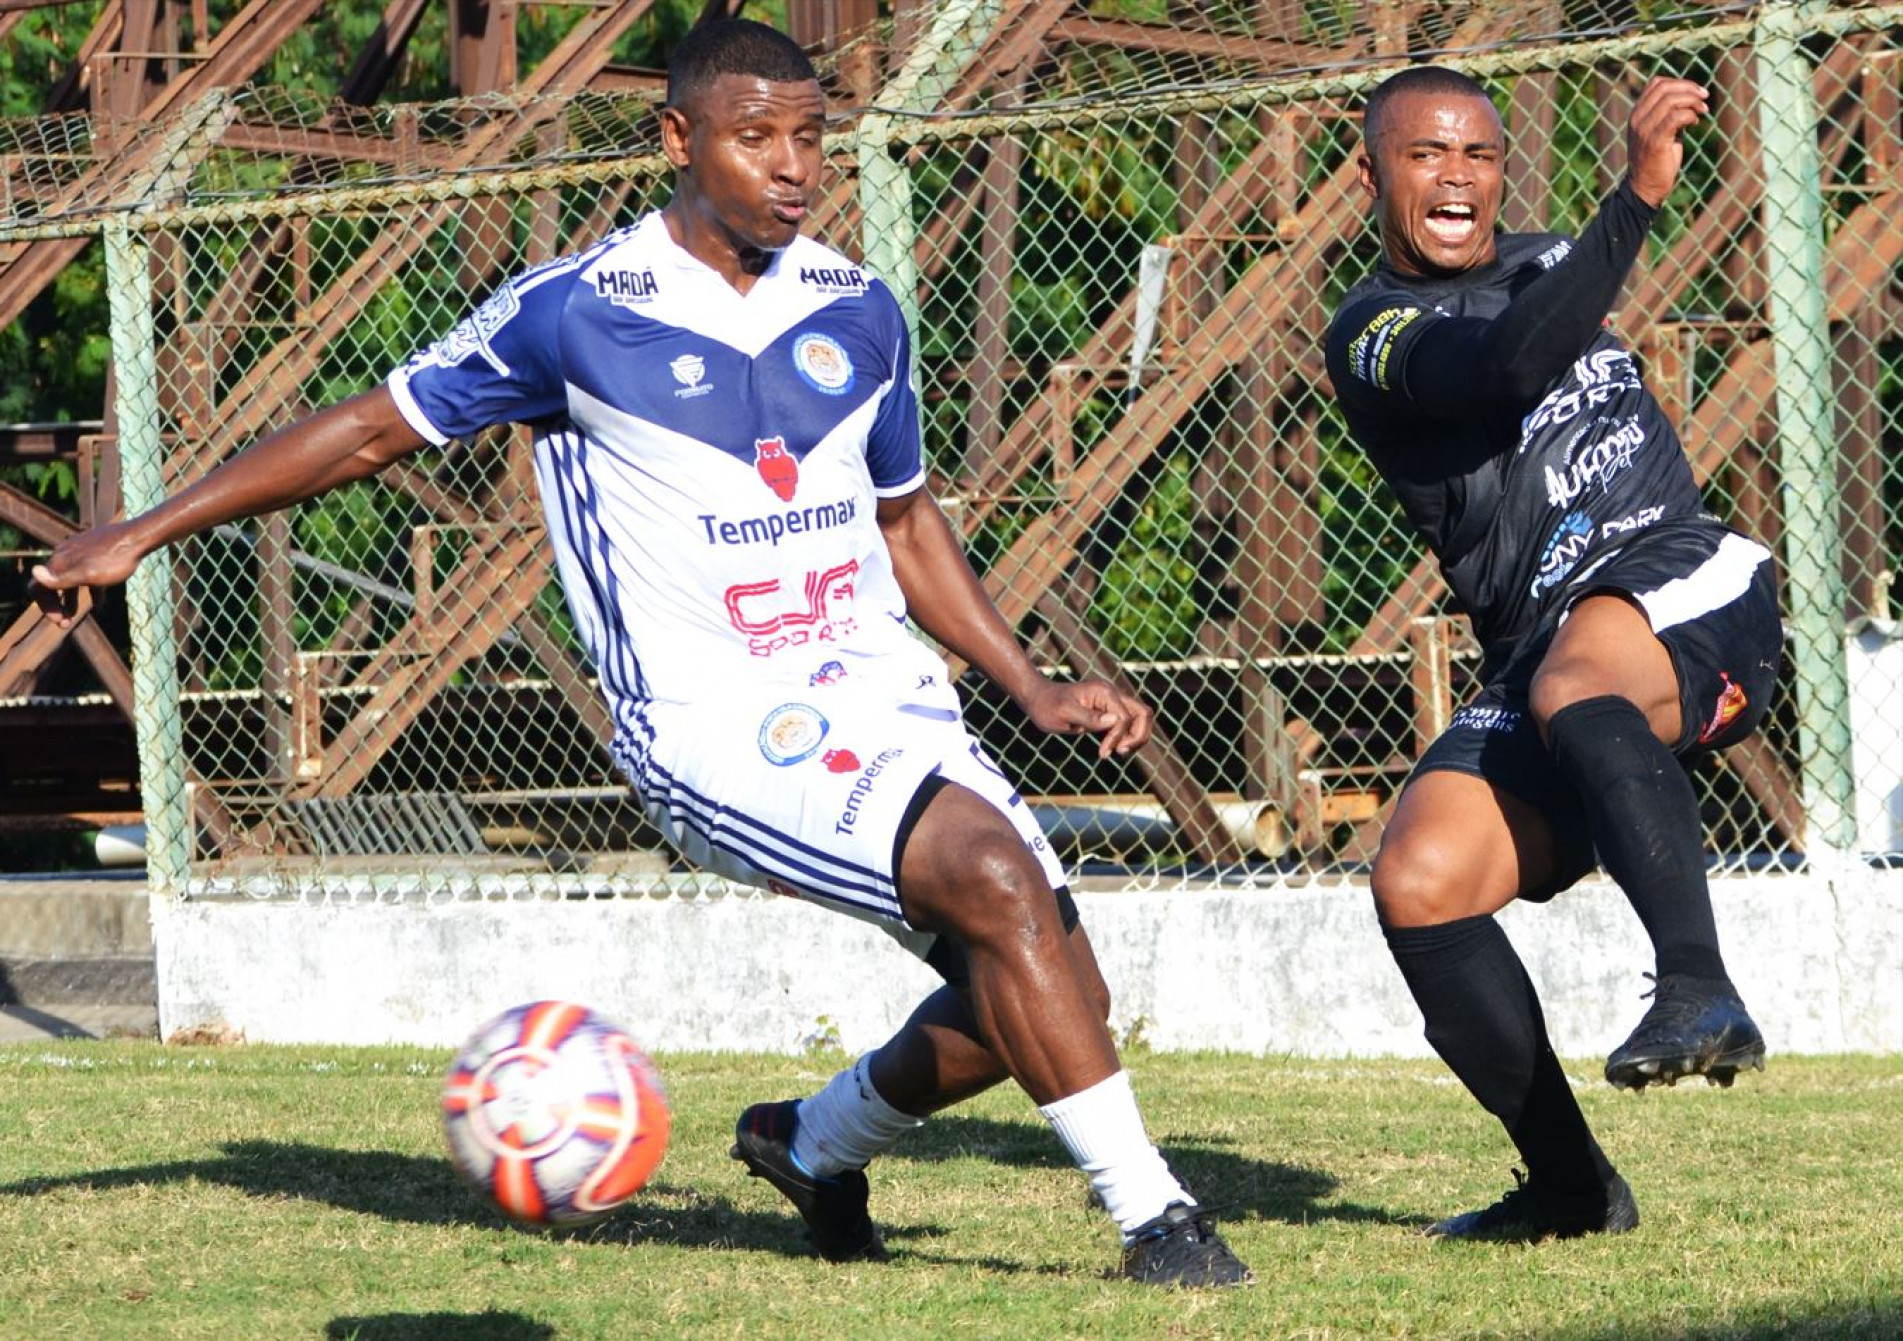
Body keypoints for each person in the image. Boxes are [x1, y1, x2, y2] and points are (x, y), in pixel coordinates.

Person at [31, 19, 1249, 1287]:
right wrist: (142, 532)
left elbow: (905, 522)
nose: (794, 165)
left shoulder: (859, 307)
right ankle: (1159, 1223)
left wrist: (1030, 686)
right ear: (678, 138)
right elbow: (361, 434)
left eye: (811, 137)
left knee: (1051, 996)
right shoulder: (575, 315)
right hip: (713, 727)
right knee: (996, 881)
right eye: (756, 136)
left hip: (887, 705)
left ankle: (811, 1146)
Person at [1323, 66, 1781, 1241]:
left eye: (1477, 153)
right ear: (1371, 170)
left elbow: (1547, 321)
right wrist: (1629, 200)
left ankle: (1696, 983)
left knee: (1581, 672)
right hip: (1544, 647)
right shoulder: (1373, 328)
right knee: (1419, 879)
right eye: (1424, 154)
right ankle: (1573, 1189)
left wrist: (1607, 219)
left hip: (1679, 580)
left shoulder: (1549, 262)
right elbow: (1507, 368)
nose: (1456, 177)